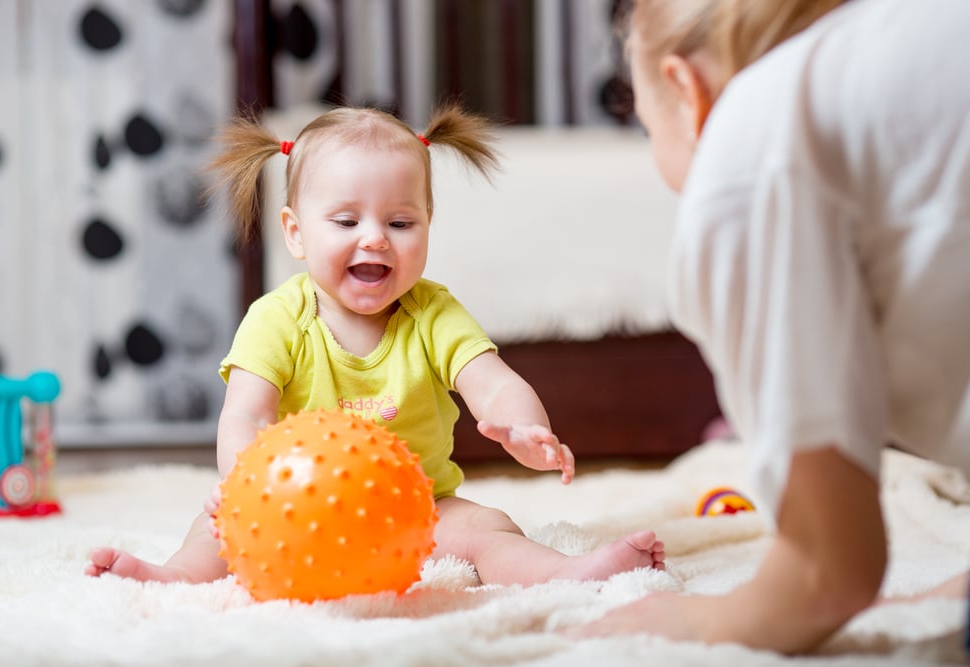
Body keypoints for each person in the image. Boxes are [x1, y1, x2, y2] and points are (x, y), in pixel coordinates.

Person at [85, 104, 666, 588]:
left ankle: (569, 573)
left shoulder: (433, 313)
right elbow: (246, 415)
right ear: (294, 231)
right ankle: (175, 578)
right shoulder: (276, 319)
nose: (374, 239)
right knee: (214, 529)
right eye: (345, 221)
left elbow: (491, 381)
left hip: (418, 510)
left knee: (490, 527)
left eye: (400, 223)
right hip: (295, 508)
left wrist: (522, 426)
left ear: (428, 226)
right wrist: (243, 484)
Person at [573, 0, 970, 654]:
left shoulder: (752, 141)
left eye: (648, 127)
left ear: (685, 90)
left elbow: (827, 573)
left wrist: (702, 621)